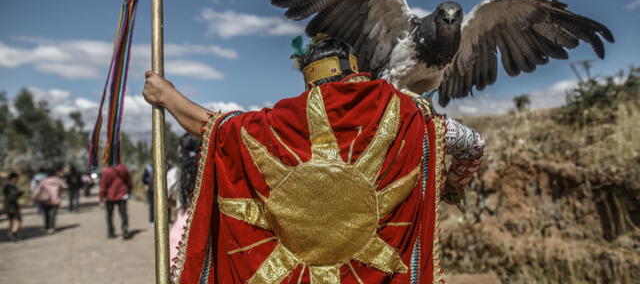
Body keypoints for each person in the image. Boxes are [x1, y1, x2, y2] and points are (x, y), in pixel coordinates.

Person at [143, 36, 485, 283]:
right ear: (356, 70)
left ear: (309, 80)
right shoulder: (411, 115)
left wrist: (167, 96)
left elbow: (215, 128)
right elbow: (473, 144)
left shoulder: (280, 124)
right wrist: (452, 185)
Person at [169, 133, 201, 264]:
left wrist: (178, 204)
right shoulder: (211, 172)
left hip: (183, 226)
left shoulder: (176, 174)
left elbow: (163, 199)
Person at [99, 163, 132, 239]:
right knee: (123, 213)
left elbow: (103, 186)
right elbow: (129, 182)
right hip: (122, 194)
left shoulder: (106, 171)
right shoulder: (123, 168)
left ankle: (111, 232)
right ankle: (125, 229)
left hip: (110, 196)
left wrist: (101, 199)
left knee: (109, 215)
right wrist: (129, 191)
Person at [32, 165, 65, 234]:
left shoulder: (44, 181)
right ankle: (51, 227)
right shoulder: (58, 180)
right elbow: (63, 187)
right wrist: (60, 194)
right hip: (55, 199)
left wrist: (34, 197)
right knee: (52, 214)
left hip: (45, 200)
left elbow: (37, 190)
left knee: (46, 213)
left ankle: (46, 227)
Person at [3, 172, 23, 241]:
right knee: (18, 220)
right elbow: (14, 195)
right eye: (17, 178)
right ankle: (13, 234)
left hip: (8, 205)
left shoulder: (7, 185)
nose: (18, 180)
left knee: (12, 221)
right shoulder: (11, 186)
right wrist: (20, 192)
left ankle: (10, 234)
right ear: (14, 178)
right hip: (12, 206)